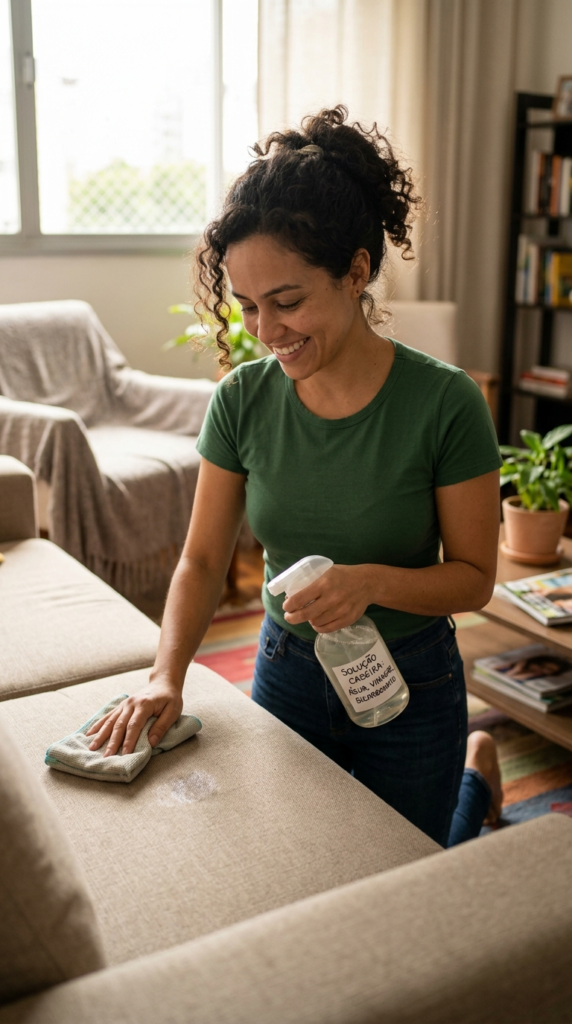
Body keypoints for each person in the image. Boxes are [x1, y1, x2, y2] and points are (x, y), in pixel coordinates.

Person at [87, 106, 502, 847]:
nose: (267, 331)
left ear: (356, 272)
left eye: (287, 301)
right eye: (248, 307)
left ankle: (475, 777)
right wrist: (165, 674)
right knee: (300, 864)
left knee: (410, 871)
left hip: (412, 679)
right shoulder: (242, 401)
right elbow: (203, 560)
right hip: (287, 669)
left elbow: (473, 578)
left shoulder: (447, 402)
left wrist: (370, 582)